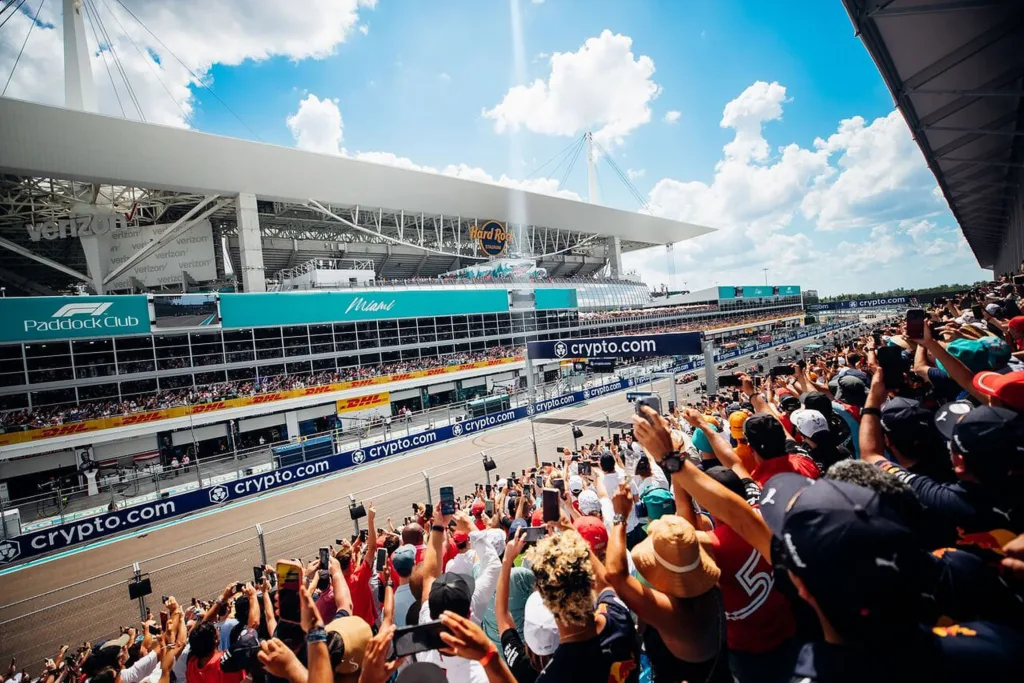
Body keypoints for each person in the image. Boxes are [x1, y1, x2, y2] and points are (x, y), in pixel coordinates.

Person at [525, 529, 640, 683]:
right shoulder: (618, 617)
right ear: (591, 582)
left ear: (546, 601)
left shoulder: (552, 677)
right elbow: (606, 585)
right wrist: (571, 532)